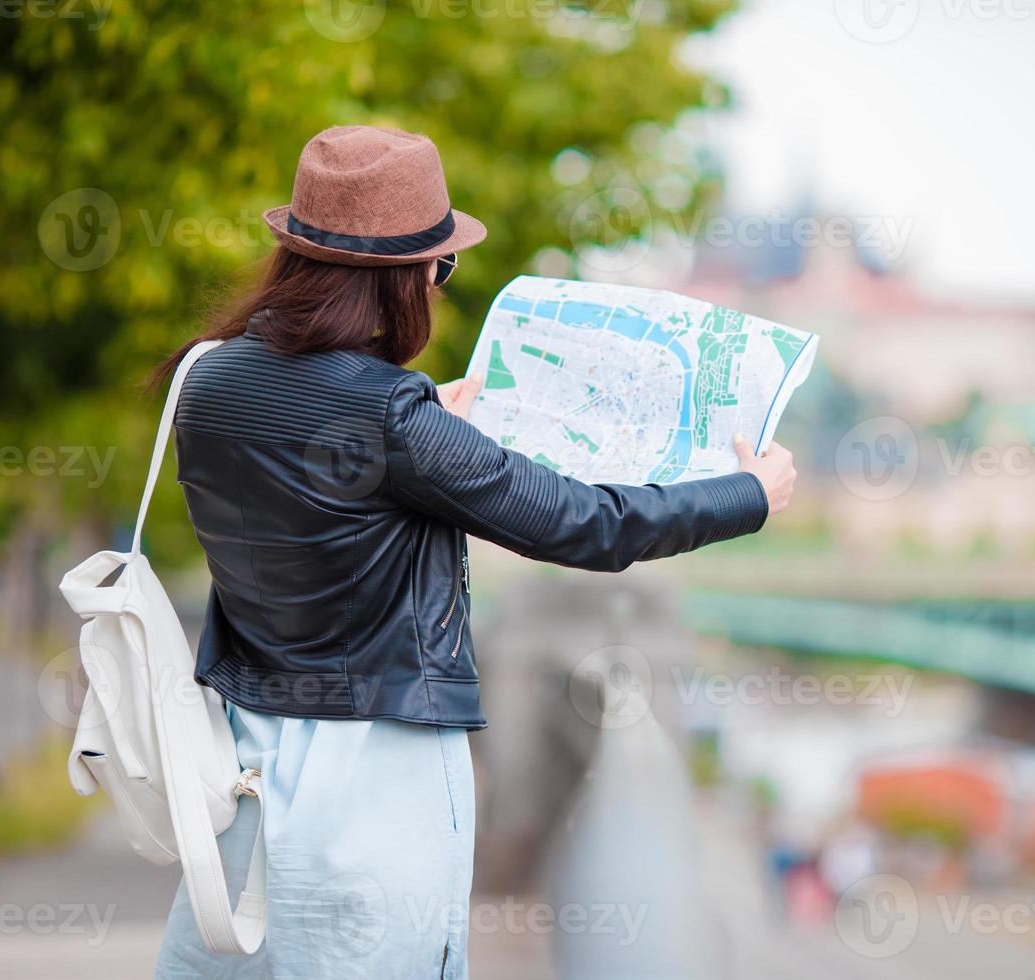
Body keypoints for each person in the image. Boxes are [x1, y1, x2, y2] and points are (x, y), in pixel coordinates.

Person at [152, 125, 796, 979]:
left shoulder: (206, 378)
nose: (438, 286)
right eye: (437, 268)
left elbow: (315, 497)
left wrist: (425, 441)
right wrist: (746, 494)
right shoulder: (392, 417)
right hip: (379, 781)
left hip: (242, 767)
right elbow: (584, 523)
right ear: (405, 279)